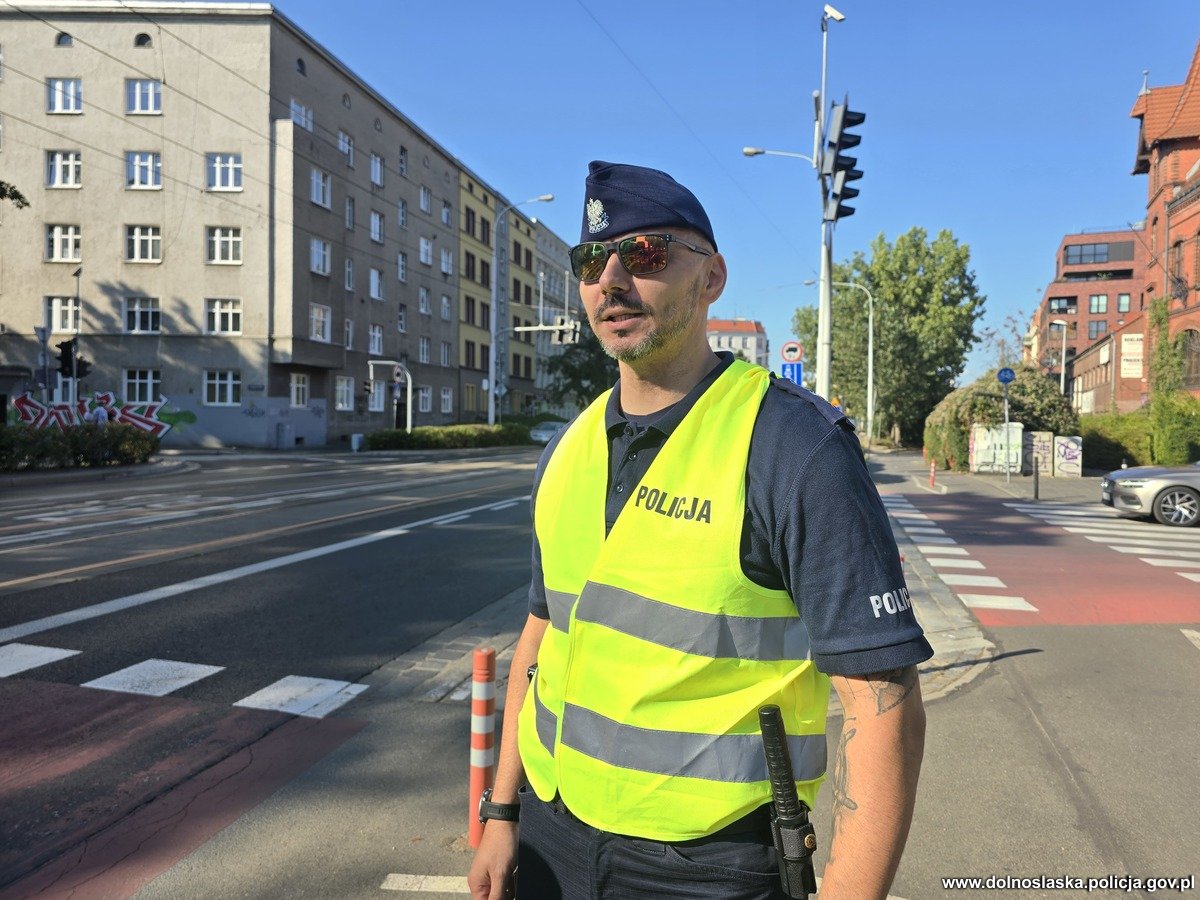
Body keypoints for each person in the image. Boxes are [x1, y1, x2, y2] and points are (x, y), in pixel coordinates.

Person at [468, 161, 931, 900]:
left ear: (711, 277)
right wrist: (502, 813)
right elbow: (542, 632)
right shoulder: (568, 449)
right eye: (591, 260)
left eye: (644, 253)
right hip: (553, 838)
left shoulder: (791, 445)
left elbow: (883, 704)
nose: (611, 280)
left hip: (707, 868)